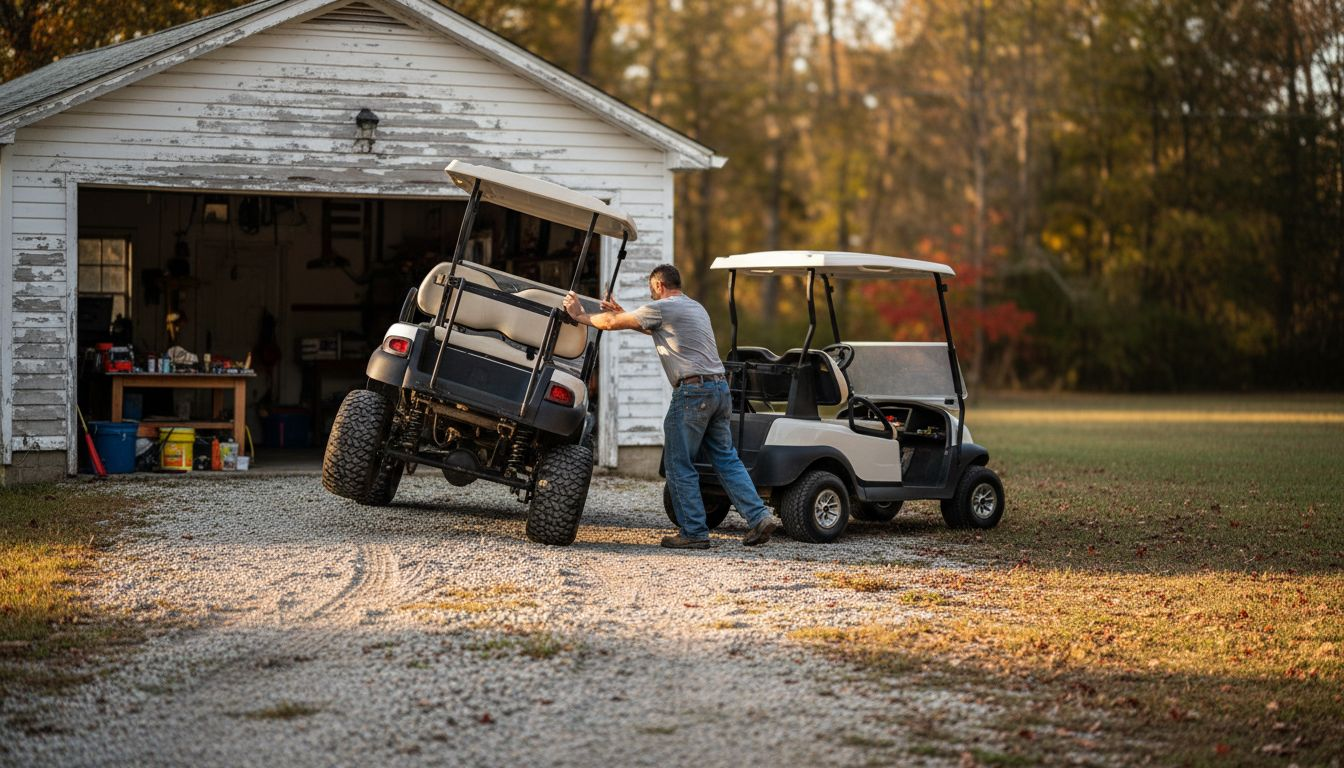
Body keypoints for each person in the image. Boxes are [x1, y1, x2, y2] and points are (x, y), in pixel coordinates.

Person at [562, 264, 779, 549]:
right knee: (727, 459)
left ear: (659, 286)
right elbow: (651, 328)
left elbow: (613, 324)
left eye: (652, 290)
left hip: (693, 393)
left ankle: (694, 532)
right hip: (719, 389)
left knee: (679, 463)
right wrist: (623, 311)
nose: (651, 296)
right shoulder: (695, 307)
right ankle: (759, 517)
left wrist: (579, 315)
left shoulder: (663, 307)